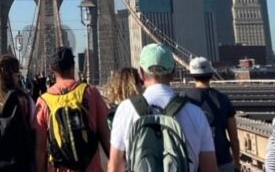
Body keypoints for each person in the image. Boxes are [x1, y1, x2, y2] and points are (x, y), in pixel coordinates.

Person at [108, 44, 217, 172]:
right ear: (173, 74)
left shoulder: (125, 110)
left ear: (142, 74)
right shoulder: (196, 113)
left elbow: (115, 167)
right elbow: (209, 168)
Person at [36, 46, 110, 172]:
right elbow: (107, 138)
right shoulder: (90, 92)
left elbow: (40, 149)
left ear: (52, 69)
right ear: (73, 65)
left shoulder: (44, 101)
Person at [183, 57, 240, 172]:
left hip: (196, 163)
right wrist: (237, 163)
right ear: (210, 74)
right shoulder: (223, 99)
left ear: (192, 75)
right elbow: (234, 137)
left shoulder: (184, 99)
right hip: (223, 161)